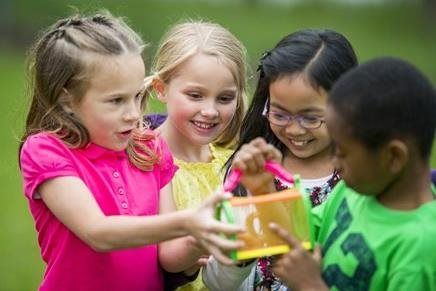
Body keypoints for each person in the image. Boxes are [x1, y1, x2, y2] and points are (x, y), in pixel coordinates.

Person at [19, 12, 243, 291]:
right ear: (67, 99)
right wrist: (189, 221)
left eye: (137, 95)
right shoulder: (47, 150)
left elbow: (170, 258)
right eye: (116, 100)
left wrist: (203, 235)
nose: (134, 113)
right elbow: (97, 232)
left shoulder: (150, 147)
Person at [203, 28, 357, 290]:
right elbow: (217, 283)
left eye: (311, 117)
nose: (294, 130)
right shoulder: (254, 169)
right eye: (280, 114)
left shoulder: (358, 182)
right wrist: (241, 254)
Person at [270, 57, 436, 290]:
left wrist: (311, 286)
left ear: (394, 157)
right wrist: (262, 186)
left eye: (342, 152)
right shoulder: (351, 191)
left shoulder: (422, 248)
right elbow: (297, 237)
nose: (334, 162)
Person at [143, 20, 247, 291]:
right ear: (161, 88)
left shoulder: (232, 161)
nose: (210, 111)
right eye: (195, 95)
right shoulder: (142, 161)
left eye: (224, 98)